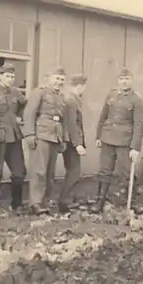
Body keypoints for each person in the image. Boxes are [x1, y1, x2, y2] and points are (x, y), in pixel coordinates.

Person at [90, 68, 143, 215]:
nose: (124, 81)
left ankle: (132, 202)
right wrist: (98, 136)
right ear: (117, 81)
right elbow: (103, 116)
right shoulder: (111, 95)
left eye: (127, 78)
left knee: (126, 173)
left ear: (131, 80)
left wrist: (135, 147)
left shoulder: (136, 99)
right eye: (121, 79)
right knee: (104, 171)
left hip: (125, 141)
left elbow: (139, 124)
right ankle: (100, 201)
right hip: (108, 139)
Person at [23, 67, 68, 215]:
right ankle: (34, 203)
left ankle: (44, 202)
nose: (59, 82)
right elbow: (29, 113)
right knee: (39, 171)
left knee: (50, 173)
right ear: (50, 78)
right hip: (41, 135)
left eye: (62, 79)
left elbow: (63, 120)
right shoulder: (40, 92)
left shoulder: (61, 97)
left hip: (55, 137)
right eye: (57, 78)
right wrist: (29, 134)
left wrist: (63, 139)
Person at [0, 62, 27, 212]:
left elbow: (24, 105)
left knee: (19, 172)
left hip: (14, 136)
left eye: (12, 76)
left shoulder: (16, 92)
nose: (10, 79)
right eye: (7, 76)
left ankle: (17, 204)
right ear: (0, 76)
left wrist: (20, 117)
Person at [58, 74, 88, 213]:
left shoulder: (75, 100)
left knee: (73, 171)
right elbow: (71, 124)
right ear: (80, 86)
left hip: (72, 141)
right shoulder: (71, 101)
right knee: (73, 172)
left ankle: (69, 200)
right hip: (71, 142)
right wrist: (78, 144)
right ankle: (65, 202)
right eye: (83, 86)